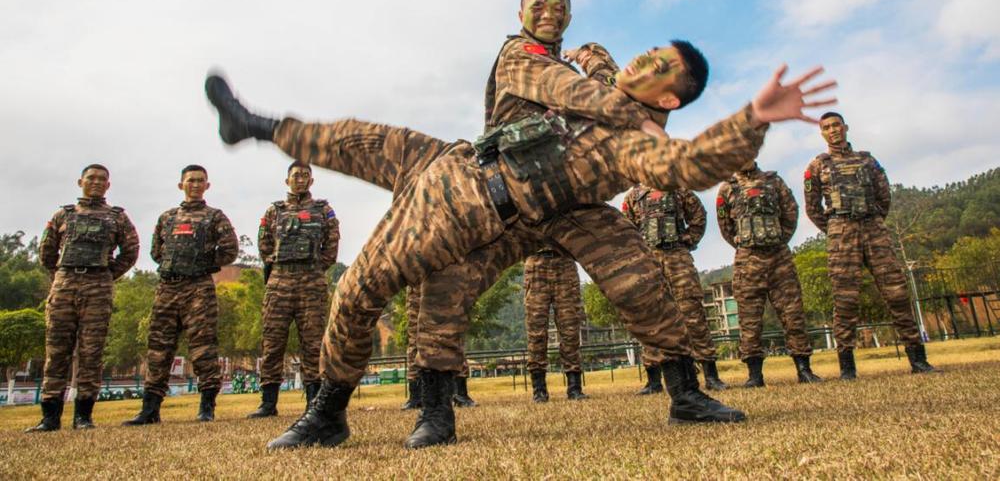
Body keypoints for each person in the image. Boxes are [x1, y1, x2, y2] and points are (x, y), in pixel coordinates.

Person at [205, 36, 834, 450]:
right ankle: (256, 126)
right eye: (649, 51)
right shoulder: (605, 80)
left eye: (661, 67)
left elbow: (689, 165)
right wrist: (587, 54)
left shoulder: (635, 138)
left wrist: (752, 119)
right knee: (365, 143)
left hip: (548, 210)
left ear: (669, 96)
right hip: (469, 170)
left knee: (639, 282)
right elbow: (563, 57)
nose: (645, 62)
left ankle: (685, 392)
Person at [804, 112, 937, 379]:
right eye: (827, 127)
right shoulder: (818, 165)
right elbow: (812, 207)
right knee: (845, 300)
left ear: (845, 128)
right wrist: (835, 227)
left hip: (874, 229)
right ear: (822, 133)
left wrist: (873, 220)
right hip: (841, 234)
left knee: (897, 293)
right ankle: (847, 367)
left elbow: (883, 194)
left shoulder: (868, 160)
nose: (833, 131)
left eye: (836, 125)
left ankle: (918, 359)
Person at [26, 165, 139, 432]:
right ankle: (50, 416)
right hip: (64, 285)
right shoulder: (62, 215)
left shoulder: (116, 218)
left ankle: (83, 415)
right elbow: (47, 252)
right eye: (92, 178)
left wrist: (108, 274)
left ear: (108, 185)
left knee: (92, 351)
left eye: (102, 179)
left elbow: (131, 251)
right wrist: (62, 275)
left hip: (98, 286)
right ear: (80, 182)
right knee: (56, 351)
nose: (97, 182)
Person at [123, 165, 238, 426]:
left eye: (200, 181)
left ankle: (206, 407)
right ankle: (150, 409)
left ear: (207, 186)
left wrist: (205, 265)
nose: (195, 185)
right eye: (190, 181)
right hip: (167, 288)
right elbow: (156, 251)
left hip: (199, 288)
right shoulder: (167, 218)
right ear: (181, 185)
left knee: (203, 348)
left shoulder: (215, 217)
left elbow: (230, 250)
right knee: (158, 349)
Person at [247, 161, 340, 418]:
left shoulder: (323, 210)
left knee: (312, 343)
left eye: (305, 176)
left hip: (311, 282)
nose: (300, 179)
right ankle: (268, 402)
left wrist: (316, 268)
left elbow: (332, 244)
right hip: (280, 283)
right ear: (286, 180)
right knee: (272, 342)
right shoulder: (273, 211)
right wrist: (277, 267)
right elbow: (264, 244)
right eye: (295, 175)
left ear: (311, 181)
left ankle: (313, 401)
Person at [716, 162, 821, 386]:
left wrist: (780, 239)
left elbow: (790, 212)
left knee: (793, 315)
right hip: (748, 260)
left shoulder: (774, 181)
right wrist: (743, 243)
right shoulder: (727, 188)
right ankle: (755, 375)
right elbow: (725, 225)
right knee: (749, 320)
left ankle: (804, 369)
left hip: (778, 257)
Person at [622, 184, 727, 393]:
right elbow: (626, 229)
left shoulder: (680, 190)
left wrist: (688, 240)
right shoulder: (633, 196)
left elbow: (698, 216)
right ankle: (653, 380)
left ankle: (711, 375)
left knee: (693, 314)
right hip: (647, 261)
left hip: (677, 257)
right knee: (649, 317)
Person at [523, 248, 588, 402]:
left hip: (565, 263)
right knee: (536, 331)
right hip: (536, 265)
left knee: (570, 329)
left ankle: (575, 388)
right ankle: (539, 389)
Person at [401, 284, 477, 410]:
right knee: (415, 339)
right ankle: (416, 396)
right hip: (417, 287)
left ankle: (460, 394)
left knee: (453, 334)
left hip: (447, 282)